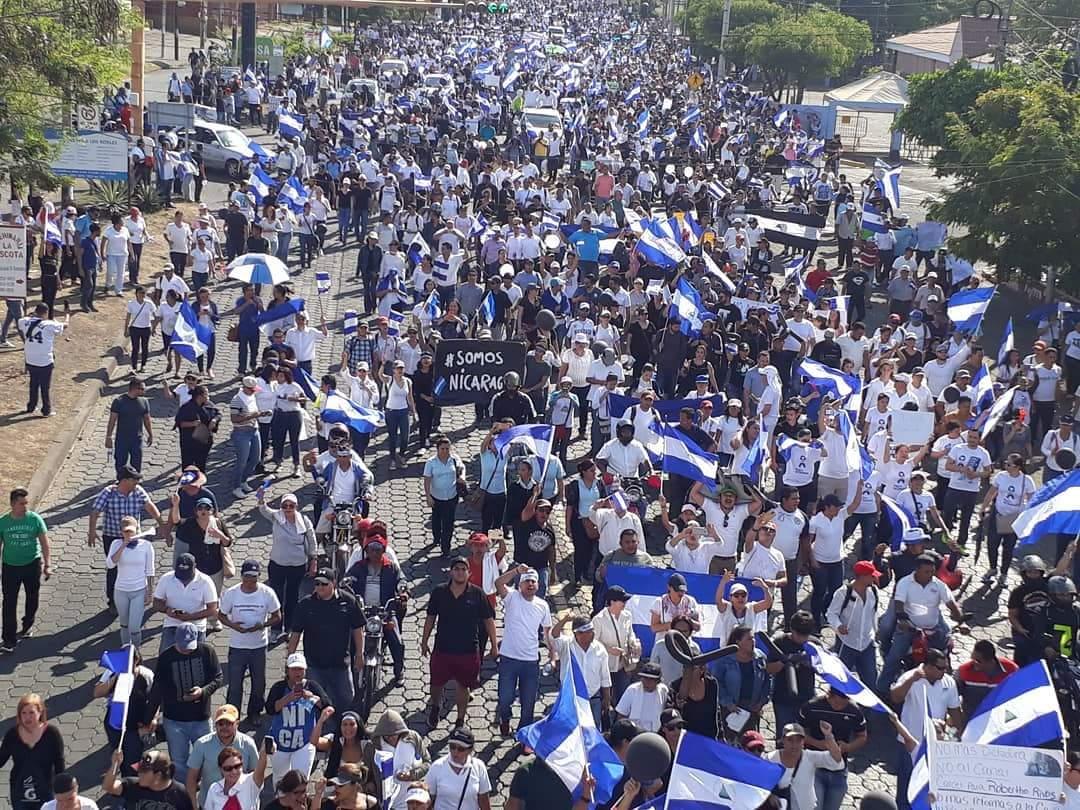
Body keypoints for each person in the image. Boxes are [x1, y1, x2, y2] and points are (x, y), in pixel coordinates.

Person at [422, 554, 497, 729]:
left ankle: (460, 720)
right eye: (457, 569)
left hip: (468, 650)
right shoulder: (439, 592)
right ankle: (435, 706)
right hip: (442, 648)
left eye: (464, 569)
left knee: (464, 686)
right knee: (436, 684)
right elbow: (430, 617)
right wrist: (424, 640)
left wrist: (494, 644)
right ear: (450, 572)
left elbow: (488, 620)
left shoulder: (478, 594)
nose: (460, 572)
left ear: (469, 573)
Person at [143, 623, 223, 783]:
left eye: (190, 646)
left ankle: (209, 791)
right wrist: (149, 717)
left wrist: (203, 691)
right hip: (174, 721)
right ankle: (185, 793)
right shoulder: (166, 658)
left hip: (201, 718)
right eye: (183, 646)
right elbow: (157, 690)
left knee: (208, 758)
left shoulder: (207, 652)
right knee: (178, 763)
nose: (186, 650)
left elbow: (218, 678)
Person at [286, 568, 365, 714]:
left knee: (346, 702)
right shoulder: (305, 604)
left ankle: (344, 733)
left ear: (334, 583)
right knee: (314, 704)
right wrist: (290, 660)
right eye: (317, 584)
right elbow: (296, 633)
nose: (320, 587)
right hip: (314, 665)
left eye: (324, 584)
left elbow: (357, 629)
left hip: (341, 665)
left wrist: (359, 654)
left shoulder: (348, 601)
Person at [494, 564, 555, 737]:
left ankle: (524, 735)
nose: (530, 584)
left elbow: (547, 632)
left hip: (530, 661)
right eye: (527, 581)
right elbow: (498, 583)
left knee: (528, 702)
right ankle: (505, 717)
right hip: (508, 659)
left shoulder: (543, 605)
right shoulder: (512, 597)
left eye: (533, 582)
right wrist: (515, 571)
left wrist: (552, 655)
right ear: (520, 585)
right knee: (505, 698)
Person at [218, 559, 282, 722]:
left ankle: (254, 713)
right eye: (247, 577)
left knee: (259, 684)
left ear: (259, 576)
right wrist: (233, 626)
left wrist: (263, 625)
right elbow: (221, 615)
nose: (250, 581)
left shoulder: (267, 593)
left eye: (254, 577)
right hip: (237, 646)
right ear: (241, 576)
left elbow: (277, 616)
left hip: (259, 646)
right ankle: (232, 716)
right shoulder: (232, 593)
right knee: (234, 685)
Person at [258, 490, 317, 640]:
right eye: (285, 505)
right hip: (278, 564)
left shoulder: (304, 521)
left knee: (292, 597)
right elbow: (264, 509)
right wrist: (261, 498)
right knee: (276, 596)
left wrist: (313, 561)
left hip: (297, 565)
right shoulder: (276, 517)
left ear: (296, 506)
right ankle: (276, 629)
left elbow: (312, 541)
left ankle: (290, 627)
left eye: (291, 505)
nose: (288, 508)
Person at [0, 487, 51, 653]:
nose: (25, 506)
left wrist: (47, 564)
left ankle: (27, 624)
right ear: (13, 504)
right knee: (9, 602)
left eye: (26, 503)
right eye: (22, 503)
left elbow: (44, 543)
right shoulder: (3, 522)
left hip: (31, 565)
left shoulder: (34, 519)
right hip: (10, 567)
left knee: (32, 597)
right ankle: (8, 639)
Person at [798, 689, 867, 810]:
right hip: (815, 768)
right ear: (829, 695)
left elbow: (862, 736)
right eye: (836, 703)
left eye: (844, 703)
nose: (839, 707)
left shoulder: (854, 711)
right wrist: (817, 743)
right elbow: (798, 731)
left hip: (839, 769)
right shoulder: (811, 707)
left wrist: (848, 747)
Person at [266, 652, 332, 779]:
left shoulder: (312, 686)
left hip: (304, 743)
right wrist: (288, 698)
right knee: (280, 778)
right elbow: (270, 709)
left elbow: (327, 705)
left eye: (300, 669)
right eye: (294, 669)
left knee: (301, 779)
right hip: (280, 744)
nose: (297, 673)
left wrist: (312, 697)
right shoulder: (279, 687)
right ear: (287, 671)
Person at [186, 704, 259, 809]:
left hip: (239, 804)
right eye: (220, 723)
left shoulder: (248, 744)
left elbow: (256, 775)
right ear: (215, 725)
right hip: (209, 804)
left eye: (229, 723)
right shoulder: (202, 744)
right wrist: (193, 806)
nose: (224, 727)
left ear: (237, 724)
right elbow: (191, 778)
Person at [0, 693, 64, 810]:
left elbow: (59, 763)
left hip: (45, 788)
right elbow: (1, 758)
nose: (27, 717)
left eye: (31, 713)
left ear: (40, 713)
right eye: (23, 713)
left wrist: (62, 789)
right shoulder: (12, 735)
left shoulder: (51, 734)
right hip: (20, 788)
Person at [764, 723, 844, 810]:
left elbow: (836, 760)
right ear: (783, 740)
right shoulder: (770, 758)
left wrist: (828, 736)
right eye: (790, 740)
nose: (794, 744)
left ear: (803, 742)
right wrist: (770, 795)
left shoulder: (810, 757)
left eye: (798, 740)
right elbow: (759, 782)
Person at [152, 552, 219, 653]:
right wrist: (167, 610)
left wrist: (190, 617)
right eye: (180, 575)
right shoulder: (166, 579)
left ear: (195, 567)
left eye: (187, 576)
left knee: (197, 656)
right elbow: (156, 602)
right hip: (172, 623)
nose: (183, 579)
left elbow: (212, 610)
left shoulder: (205, 581)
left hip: (197, 625)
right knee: (165, 654)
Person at [425, 726, 492, 810]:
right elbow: (428, 799)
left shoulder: (479, 767)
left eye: (461, 749)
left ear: (470, 750)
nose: (455, 752)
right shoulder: (437, 767)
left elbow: (483, 799)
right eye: (452, 747)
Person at [19, 302, 68, 418]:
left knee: (33, 383)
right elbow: (65, 325)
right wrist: (67, 315)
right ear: (46, 313)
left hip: (30, 359)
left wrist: (31, 316)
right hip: (45, 360)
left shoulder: (25, 321)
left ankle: (31, 406)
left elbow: (21, 320)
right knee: (45, 386)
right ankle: (46, 410)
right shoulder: (49, 324)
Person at [102, 750, 193, 809]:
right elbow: (108, 787)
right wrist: (115, 765)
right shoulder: (133, 785)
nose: (139, 774)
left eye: (143, 772)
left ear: (158, 775)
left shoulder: (179, 793)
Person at [423, 437, 467, 554]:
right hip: (436, 497)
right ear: (437, 449)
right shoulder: (431, 462)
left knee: (448, 523)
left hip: (451, 496)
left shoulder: (454, 459)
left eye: (447, 448)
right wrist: (428, 496)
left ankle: (445, 548)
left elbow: (462, 468)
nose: (445, 451)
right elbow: (427, 479)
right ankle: (436, 538)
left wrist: (462, 477)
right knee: (437, 520)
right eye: (442, 449)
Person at [106, 378, 153, 477]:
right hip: (122, 439)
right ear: (134, 389)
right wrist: (108, 436)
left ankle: (135, 481)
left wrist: (150, 434)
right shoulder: (119, 402)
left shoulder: (144, 402)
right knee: (120, 461)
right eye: (142, 389)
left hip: (137, 438)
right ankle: (121, 481)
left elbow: (147, 419)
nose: (144, 391)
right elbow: (112, 420)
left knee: (136, 461)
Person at [202, 742, 270, 810]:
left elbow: (261, 767)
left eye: (237, 766)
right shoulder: (214, 788)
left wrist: (264, 752)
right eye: (228, 768)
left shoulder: (251, 782)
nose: (234, 771)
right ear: (221, 769)